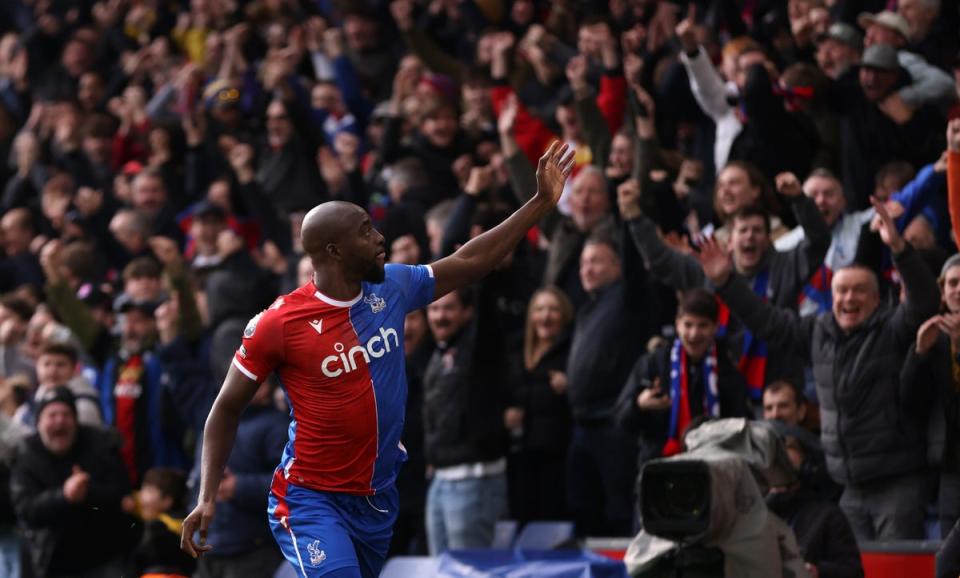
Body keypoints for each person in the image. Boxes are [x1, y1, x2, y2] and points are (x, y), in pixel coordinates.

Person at [181, 143, 575, 577]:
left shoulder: (392, 287)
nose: (379, 238)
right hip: (311, 497)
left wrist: (539, 203)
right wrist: (208, 493)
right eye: (366, 231)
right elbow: (225, 408)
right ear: (334, 250)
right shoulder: (278, 323)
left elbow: (469, 260)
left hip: (376, 496)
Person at [697, 198, 939, 540]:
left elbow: (925, 300)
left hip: (897, 484)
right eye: (841, 290)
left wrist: (898, 248)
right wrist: (726, 282)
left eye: (859, 291)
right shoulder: (818, 331)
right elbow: (767, 322)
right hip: (848, 488)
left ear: (876, 299)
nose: (848, 298)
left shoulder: (893, 329)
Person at [12, 386, 139, 577]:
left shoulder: (100, 444)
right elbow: (26, 510)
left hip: (104, 556)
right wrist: (63, 495)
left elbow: (122, 495)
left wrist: (87, 492)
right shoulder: (27, 454)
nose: (60, 421)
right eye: (52, 415)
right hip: (52, 562)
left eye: (65, 414)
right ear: (39, 422)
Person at [616, 288, 749, 467]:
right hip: (660, 465)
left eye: (703, 325)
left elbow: (740, 426)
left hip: (712, 468)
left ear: (715, 327)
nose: (694, 334)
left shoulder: (727, 370)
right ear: (677, 324)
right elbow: (621, 421)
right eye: (688, 325)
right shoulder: (654, 363)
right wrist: (639, 405)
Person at [504, 287, 574, 525]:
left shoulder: (572, 351)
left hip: (556, 456)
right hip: (518, 455)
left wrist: (569, 386)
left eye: (553, 309)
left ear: (564, 316)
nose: (545, 316)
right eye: (540, 309)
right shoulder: (515, 351)